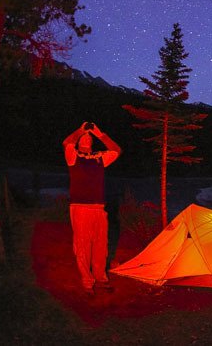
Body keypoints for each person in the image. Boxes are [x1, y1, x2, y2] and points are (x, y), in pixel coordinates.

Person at [63, 122, 122, 295]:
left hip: (98, 207)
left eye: (90, 136)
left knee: (100, 244)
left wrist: (99, 134)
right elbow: (67, 142)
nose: (87, 136)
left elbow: (117, 150)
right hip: (80, 207)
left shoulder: (99, 157)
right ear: (80, 140)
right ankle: (87, 281)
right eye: (85, 136)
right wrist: (80, 130)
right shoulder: (73, 156)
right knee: (82, 245)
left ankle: (100, 278)